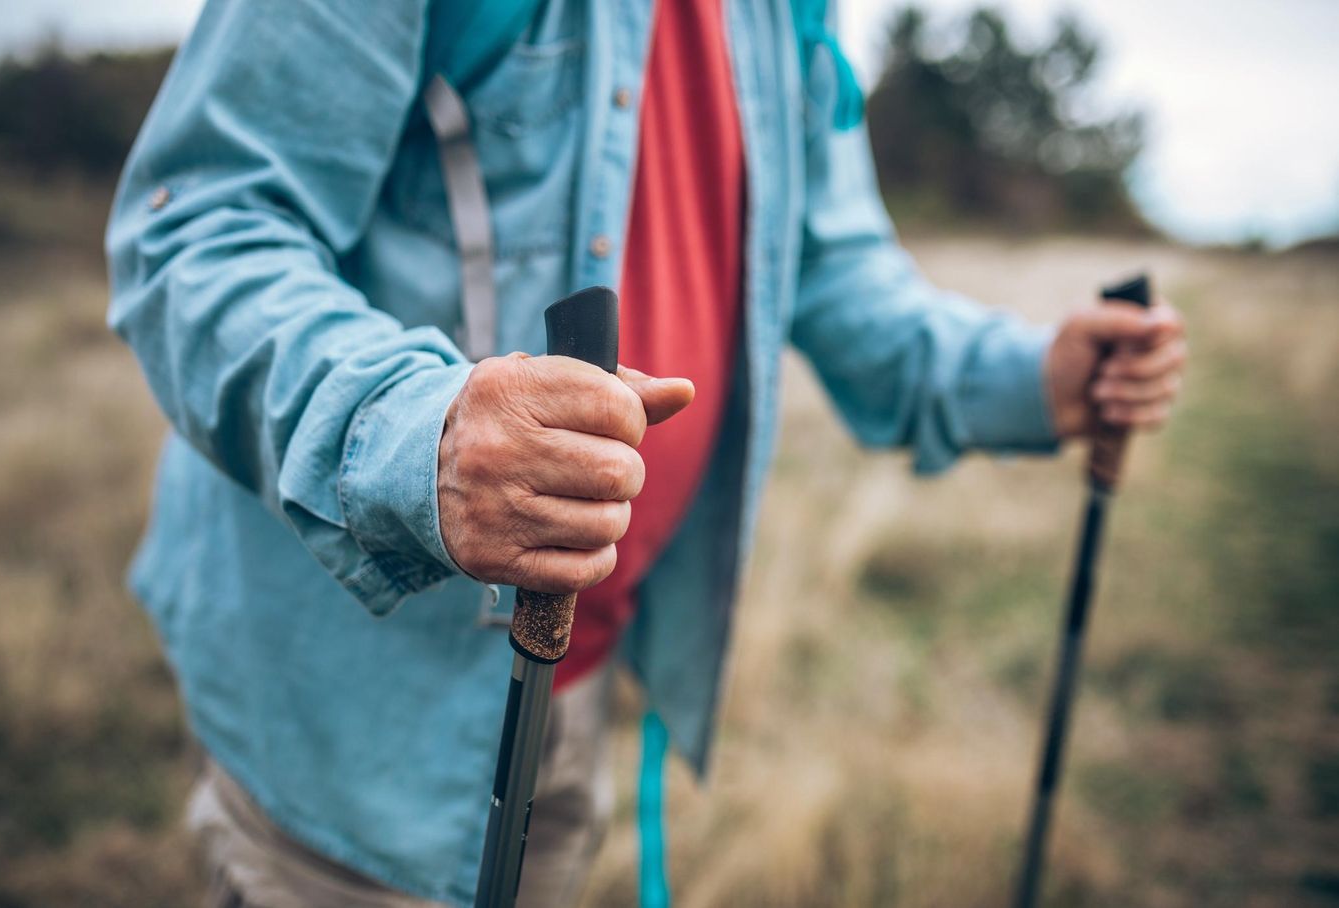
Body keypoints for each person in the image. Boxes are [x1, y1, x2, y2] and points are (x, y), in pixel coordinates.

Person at [105, 1, 1187, 906]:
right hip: (353, 723)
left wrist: (1032, 377)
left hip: (575, 676)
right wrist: (415, 431)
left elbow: (842, 274)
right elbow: (197, 228)